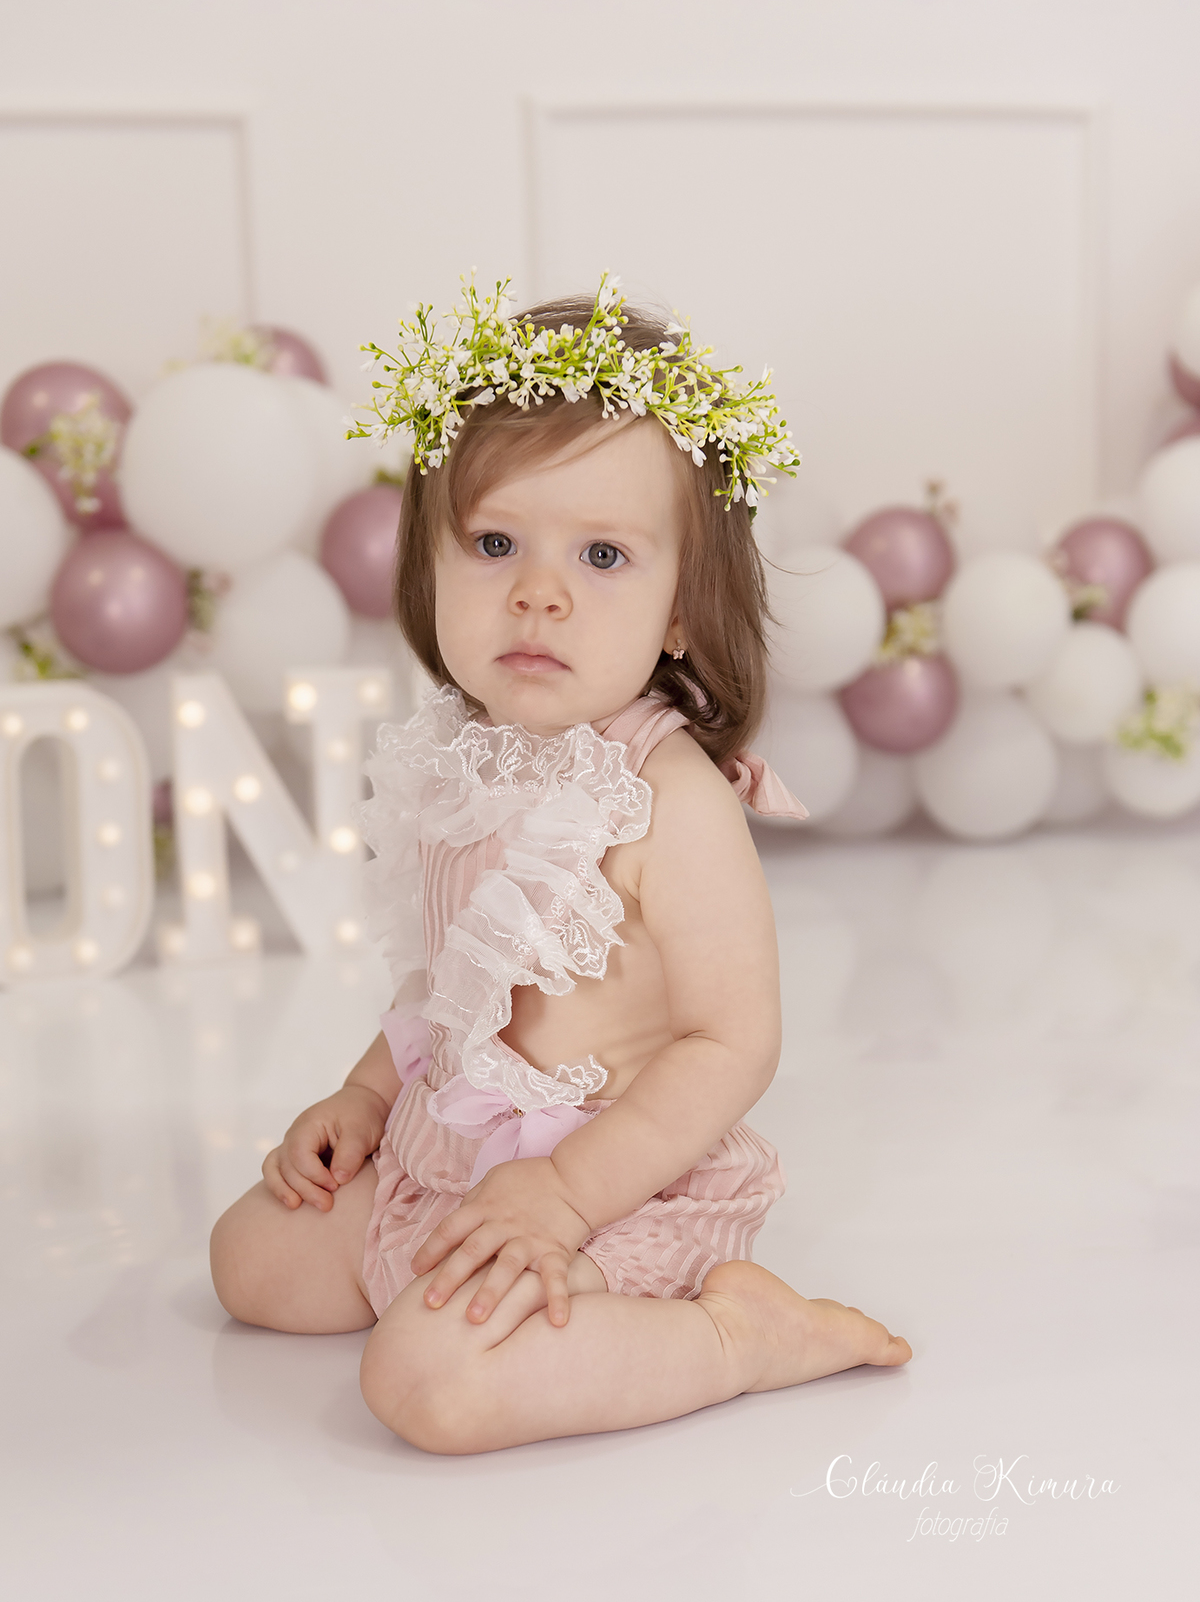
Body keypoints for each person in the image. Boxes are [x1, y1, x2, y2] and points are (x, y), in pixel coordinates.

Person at [210, 275, 911, 1453]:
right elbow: (448, 987)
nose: (539, 592)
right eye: (494, 543)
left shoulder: (669, 799)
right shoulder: (462, 760)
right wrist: (366, 1098)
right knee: (256, 1258)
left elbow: (732, 1042)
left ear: (680, 609)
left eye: (602, 554)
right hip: (454, 1154)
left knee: (428, 1386)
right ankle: (460, 1276)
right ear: (430, 568)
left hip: (616, 1183)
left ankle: (736, 1335)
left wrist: (568, 1193)